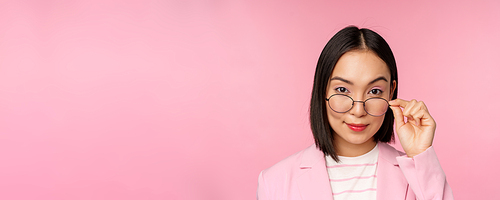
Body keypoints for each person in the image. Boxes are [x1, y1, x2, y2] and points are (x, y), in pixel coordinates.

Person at [257, 26, 454, 200]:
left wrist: (420, 155)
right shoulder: (274, 181)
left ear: (391, 91)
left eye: (374, 91)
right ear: (322, 89)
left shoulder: (417, 176)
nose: (358, 110)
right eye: (342, 90)